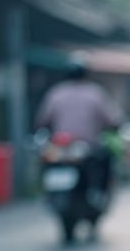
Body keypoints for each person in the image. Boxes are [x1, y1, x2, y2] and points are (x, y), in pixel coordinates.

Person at [36, 60, 123, 198]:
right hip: (86, 145)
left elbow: (42, 120)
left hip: (62, 146)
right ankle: (98, 193)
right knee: (105, 160)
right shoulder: (95, 93)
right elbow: (112, 119)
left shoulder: (56, 93)